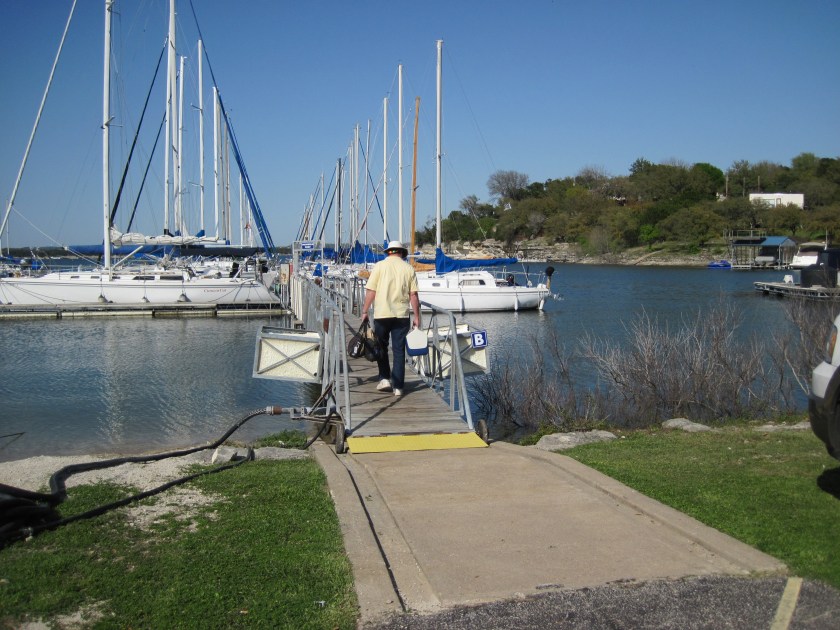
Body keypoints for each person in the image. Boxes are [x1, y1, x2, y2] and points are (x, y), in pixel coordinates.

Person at [360, 240, 421, 397]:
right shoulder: (408, 268)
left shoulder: (379, 266)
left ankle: (385, 379)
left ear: (388, 252)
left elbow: (371, 291)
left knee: (381, 346)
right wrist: (417, 316)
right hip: (401, 315)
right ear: (402, 253)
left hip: (382, 314)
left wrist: (365, 311)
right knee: (399, 350)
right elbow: (413, 295)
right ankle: (398, 387)